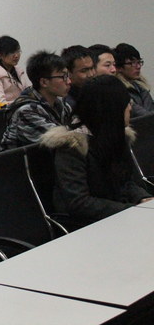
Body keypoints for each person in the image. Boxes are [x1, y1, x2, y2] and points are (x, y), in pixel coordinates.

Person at [41, 75, 153, 225]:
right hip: (86, 225)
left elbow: (127, 182)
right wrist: (130, 210)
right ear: (113, 109)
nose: (130, 108)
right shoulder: (72, 146)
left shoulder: (117, 137)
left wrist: (143, 199)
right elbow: (79, 202)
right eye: (126, 104)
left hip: (119, 214)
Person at [0, 51, 73, 150]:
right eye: (63, 77)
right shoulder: (26, 111)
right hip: (22, 159)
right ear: (44, 82)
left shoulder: (61, 104)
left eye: (68, 75)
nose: (69, 81)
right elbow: (63, 140)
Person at [0, 35, 31, 104]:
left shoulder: (18, 71)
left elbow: (29, 93)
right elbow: (0, 103)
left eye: (18, 51)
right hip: (9, 110)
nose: (16, 55)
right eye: (11, 52)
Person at [114, 43, 154, 118]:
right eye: (132, 63)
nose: (138, 66)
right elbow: (141, 114)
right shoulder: (118, 89)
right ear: (119, 67)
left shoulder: (141, 87)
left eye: (139, 62)